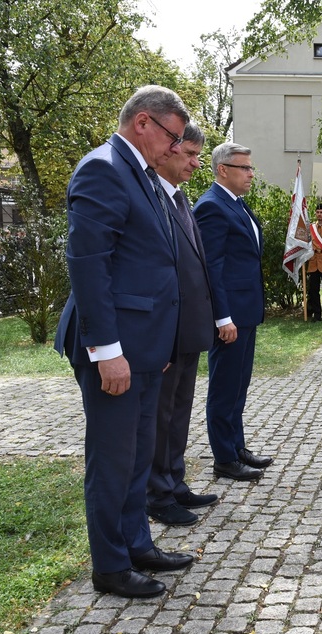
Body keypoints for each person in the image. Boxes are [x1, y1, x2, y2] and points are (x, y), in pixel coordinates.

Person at [53, 85, 194, 599]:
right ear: (143, 124)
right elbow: (88, 265)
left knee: (137, 454)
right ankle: (110, 566)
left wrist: (154, 346)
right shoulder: (104, 168)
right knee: (112, 458)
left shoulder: (142, 173)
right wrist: (107, 351)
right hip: (113, 348)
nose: (177, 149)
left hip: (143, 346)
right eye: (173, 137)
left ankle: (136, 543)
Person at [146, 123, 219, 527]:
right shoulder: (151, 194)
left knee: (178, 412)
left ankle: (174, 482)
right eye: (189, 154)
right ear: (168, 149)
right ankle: (156, 492)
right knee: (160, 415)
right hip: (164, 330)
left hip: (187, 327)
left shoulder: (179, 199)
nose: (195, 163)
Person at [193, 142, 274, 482]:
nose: (251, 174)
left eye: (251, 167)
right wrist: (222, 317)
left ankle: (236, 446)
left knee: (238, 386)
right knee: (224, 388)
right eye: (245, 168)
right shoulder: (212, 206)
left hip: (246, 311)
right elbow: (211, 267)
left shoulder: (236, 204)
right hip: (230, 317)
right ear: (223, 169)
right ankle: (224, 458)